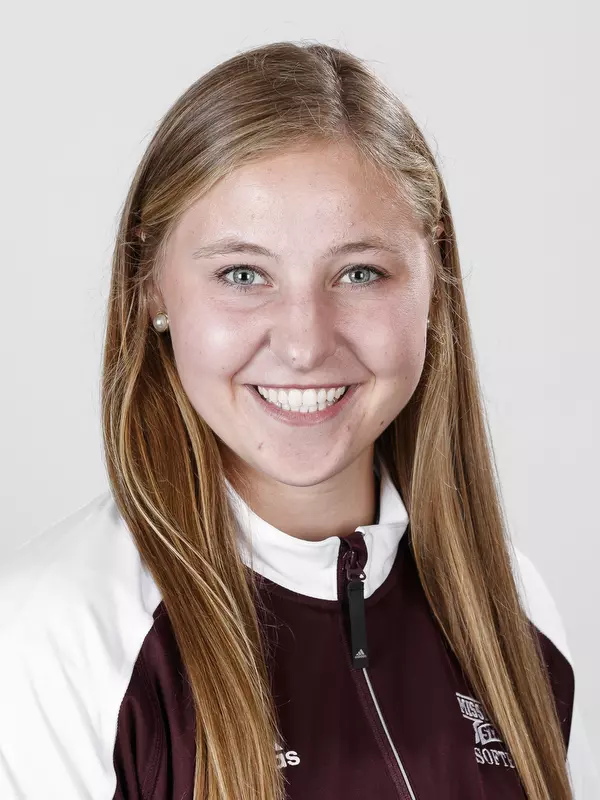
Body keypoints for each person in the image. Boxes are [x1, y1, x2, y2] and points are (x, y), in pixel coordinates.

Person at [0, 40, 597, 800]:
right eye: (242, 274)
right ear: (151, 287)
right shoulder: (51, 641)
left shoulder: (509, 605)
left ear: (435, 281)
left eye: (360, 273)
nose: (306, 343)